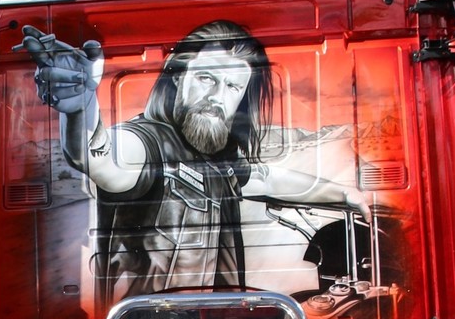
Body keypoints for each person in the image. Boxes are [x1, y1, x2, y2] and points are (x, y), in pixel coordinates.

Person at [18, 20, 370, 301]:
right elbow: (99, 158)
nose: (217, 97)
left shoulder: (219, 162)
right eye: (206, 78)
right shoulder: (149, 142)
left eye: (232, 87)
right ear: (178, 79)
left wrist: (345, 194)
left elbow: (268, 178)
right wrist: (80, 109)